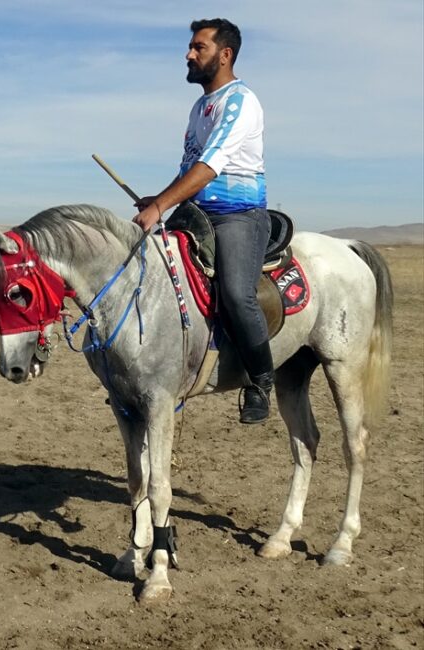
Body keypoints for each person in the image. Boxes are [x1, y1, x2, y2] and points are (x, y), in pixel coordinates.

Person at [132, 18, 273, 424]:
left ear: (224, 55)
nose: (189, 54)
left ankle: (260, 380)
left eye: (199, 48)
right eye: (190, 47)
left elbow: (210, 166)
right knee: (149, 269)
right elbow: (188, 168)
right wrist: (158, 199)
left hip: (237, 215)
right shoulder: (199, 107)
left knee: (234, 292)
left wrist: (160, 207)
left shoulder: (241, 100)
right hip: (195, 212)